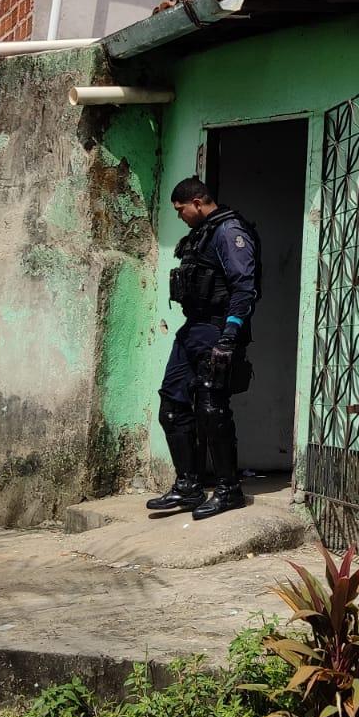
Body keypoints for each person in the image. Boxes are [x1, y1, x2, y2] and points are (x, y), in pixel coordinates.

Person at [146, 176, 260, 519]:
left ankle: (228, 490)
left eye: (181, 210)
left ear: (197, 203)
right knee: (172, 405)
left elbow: (244, 287)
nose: (179, 216)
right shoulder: (202, 233)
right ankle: (188, 487)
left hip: (217, 328)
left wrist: (230, 335)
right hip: (192, 330)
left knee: (212, 409)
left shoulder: (230, 231)